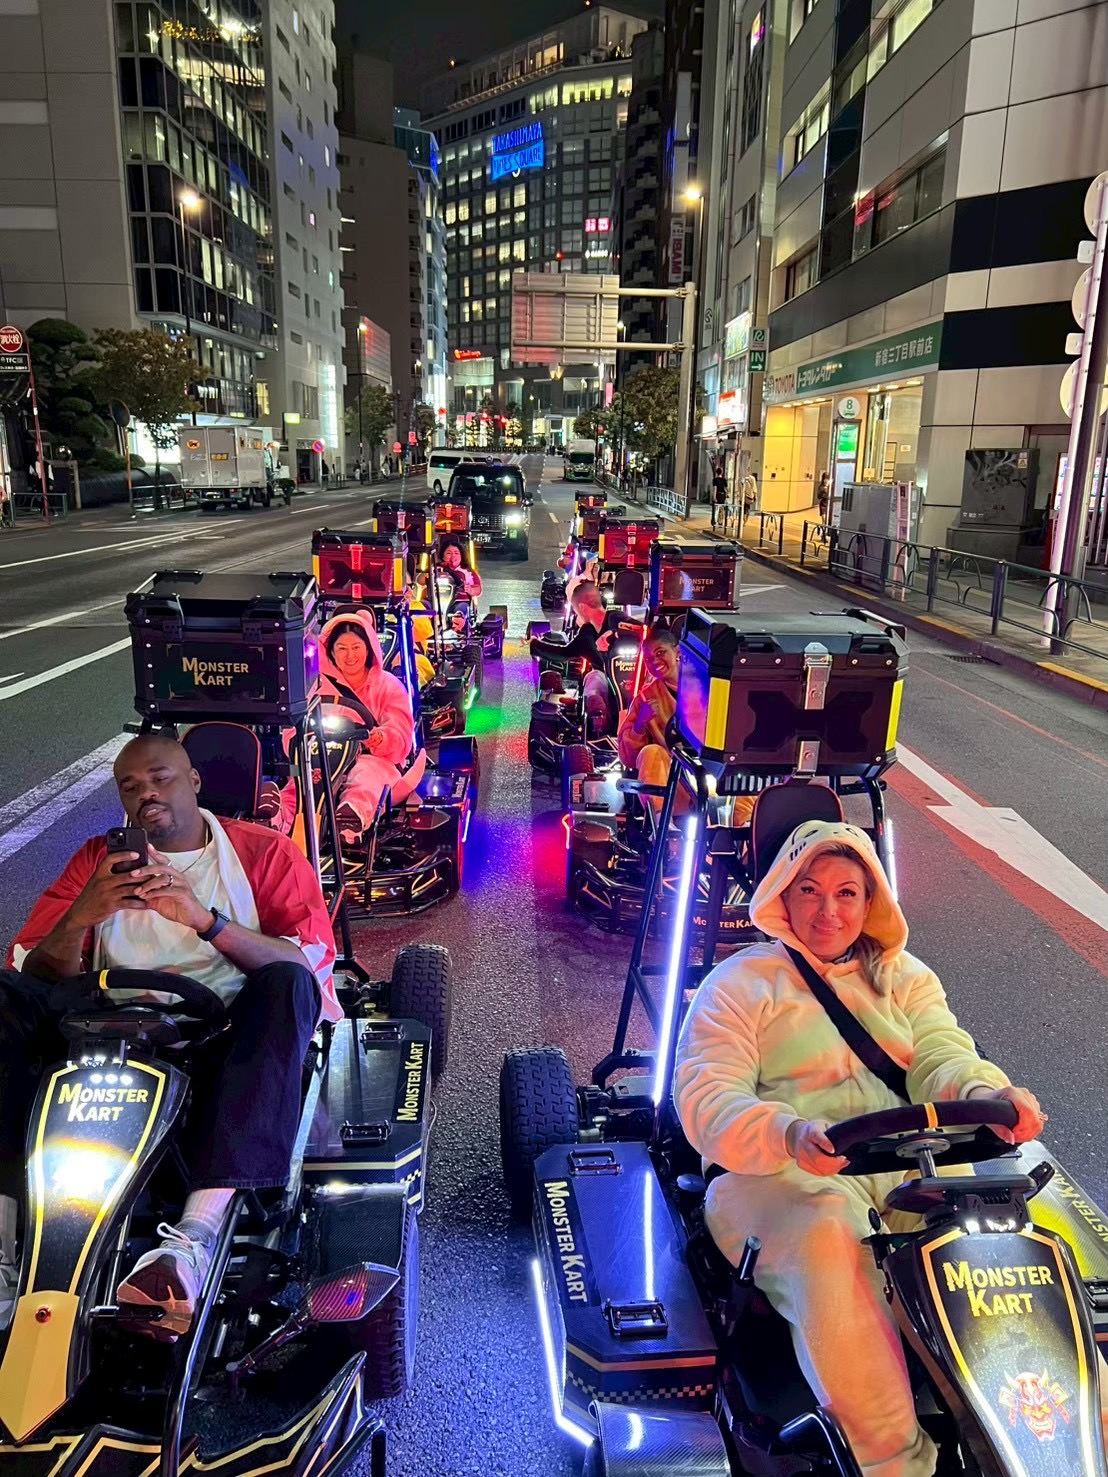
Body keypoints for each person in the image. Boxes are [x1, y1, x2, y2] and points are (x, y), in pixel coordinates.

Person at [674, 820, 1051, 1477]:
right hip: (780, 1173)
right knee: (828, 1235)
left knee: (990, 1230)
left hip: (909, 1160)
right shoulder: (739, 984)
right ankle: (893, 1464)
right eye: (811, 890)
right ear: (782, 895)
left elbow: (943, 1052)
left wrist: (990, 1091)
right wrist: (787, 1131)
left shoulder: (905, 978)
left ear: (870, 899)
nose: (829, 909)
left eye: (847, 893)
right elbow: (709, 1097)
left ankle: (1061, 1438)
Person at [4, 734, 339, 1335]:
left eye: (159, 778)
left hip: (221, 1035)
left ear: (194, 782)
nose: (145, 794)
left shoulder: (264, 854)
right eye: (130, 787)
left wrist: (206, 921)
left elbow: (307, 964)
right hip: (106, 1034)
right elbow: (31, 967)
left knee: (285, 984)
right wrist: (83, 914)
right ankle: (8, 1243)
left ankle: (193, 1239)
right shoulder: (95, 862)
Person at [316, 609, 417, 845]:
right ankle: (276, 816)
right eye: (342, 648)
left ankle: (350, 819)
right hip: (325, 757)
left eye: (356, 648)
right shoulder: (317, 687)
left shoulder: (388, 686)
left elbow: (401, 731)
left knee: (365, 776)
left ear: (369, 647)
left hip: (374, 758)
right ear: (330, 651)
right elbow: (295, 728)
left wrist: (380, 738)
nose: (349, 656)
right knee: (303, 781)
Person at [711, 462, 727, 530]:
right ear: (722, 472)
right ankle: (720, 522)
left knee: (716, 508)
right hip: (723, 495)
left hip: (717, 494)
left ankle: (714, 521)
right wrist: (726, 495)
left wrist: (714, 497)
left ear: (716, 472)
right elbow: (726, 489)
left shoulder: (715, 479)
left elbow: (715, 488)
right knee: (721, 508)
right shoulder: (724, 480)